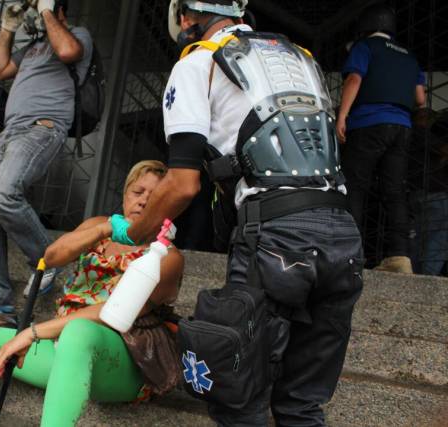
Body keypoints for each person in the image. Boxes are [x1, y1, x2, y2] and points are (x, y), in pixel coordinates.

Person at [108, 1, 364, 425]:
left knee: (237, 395)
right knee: (301, 403)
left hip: (276, 235)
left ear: (186, 17)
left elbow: (182, 182)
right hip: (341, 234)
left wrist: (134, 232)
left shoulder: (198, 62)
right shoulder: (300, 58)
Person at [0, 161, 185, 426]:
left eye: (154, 197)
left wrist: (33, 332)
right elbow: (51, 257)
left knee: (78, 331)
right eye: (137, 192)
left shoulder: (167, 258)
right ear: (125, 195)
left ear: (168, 207)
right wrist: (104, 229)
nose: (143, 201)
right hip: (65, 351)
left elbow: (112, 312)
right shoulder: (99, 227)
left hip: (123, 363)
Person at [0, 0, 94, 313]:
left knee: (3, 192)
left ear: (58, 9)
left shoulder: (78, 35)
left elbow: (69, 53)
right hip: (10, 133)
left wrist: (47, 11)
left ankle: (48, 261)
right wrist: (7, 27)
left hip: (42, 128)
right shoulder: (33, 47)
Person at [336, 3, 426, 274]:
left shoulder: (365, 48)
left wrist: (342, 115)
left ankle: (349, 254)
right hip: (401, 127)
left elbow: (354, 79)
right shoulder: (410, 56)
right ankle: (400, 257)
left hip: (368, 123)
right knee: (395, 190)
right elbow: (420, 98)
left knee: (355, 186)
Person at [408, 108, 448, 276]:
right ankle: (428, 280)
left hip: (415, 192)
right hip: (435, 193)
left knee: (418, 240)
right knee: (437, 240)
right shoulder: (419, 133)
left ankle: (416, 278)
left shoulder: (406, 136)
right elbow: (444, 149)